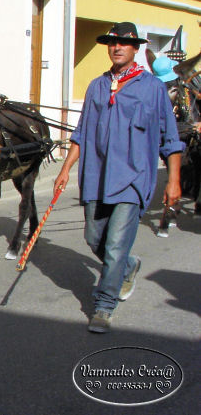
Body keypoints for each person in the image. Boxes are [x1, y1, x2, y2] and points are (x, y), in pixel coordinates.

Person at [54, 22, 185, 333]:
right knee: (93, 238)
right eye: (112, 43)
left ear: (135, 48)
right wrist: (65, 169)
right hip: (96, 177)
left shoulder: (152, 88)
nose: (116, 48)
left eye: (123, 44)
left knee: (113, 246)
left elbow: (171, 139)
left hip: (133, 179)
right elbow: (82, 133)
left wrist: (174, 181)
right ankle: (128, 265)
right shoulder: (97, 86)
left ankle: (104, 306)